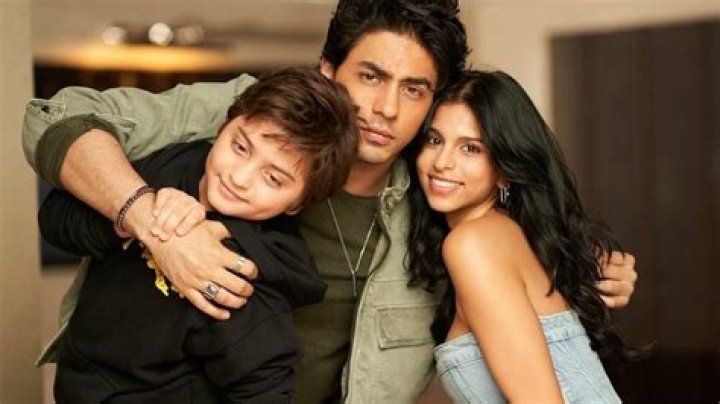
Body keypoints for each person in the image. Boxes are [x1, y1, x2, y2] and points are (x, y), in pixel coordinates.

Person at [23, 1, 637, 402]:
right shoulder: (260, 116)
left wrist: (592, 266)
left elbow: (519, 229)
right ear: (328, 70)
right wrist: (152, 220)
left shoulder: (438, 190)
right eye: (370, 76)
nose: (385, 109)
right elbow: (57, 116)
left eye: (413, 89)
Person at [39, 67, 358, 403]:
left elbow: (264, 389)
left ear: (298, 203)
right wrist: (142, 214)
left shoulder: (246, 273)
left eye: (273, 179)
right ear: (224, 126)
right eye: (240, 147)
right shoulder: (170, 162)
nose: (239, 178)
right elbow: (56, 219)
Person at [406, 70, 637, 402]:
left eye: (470, 148)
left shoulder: (472, 244)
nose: (442, 162)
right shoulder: (510, 236)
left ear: (505, 171)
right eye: (434, 140)